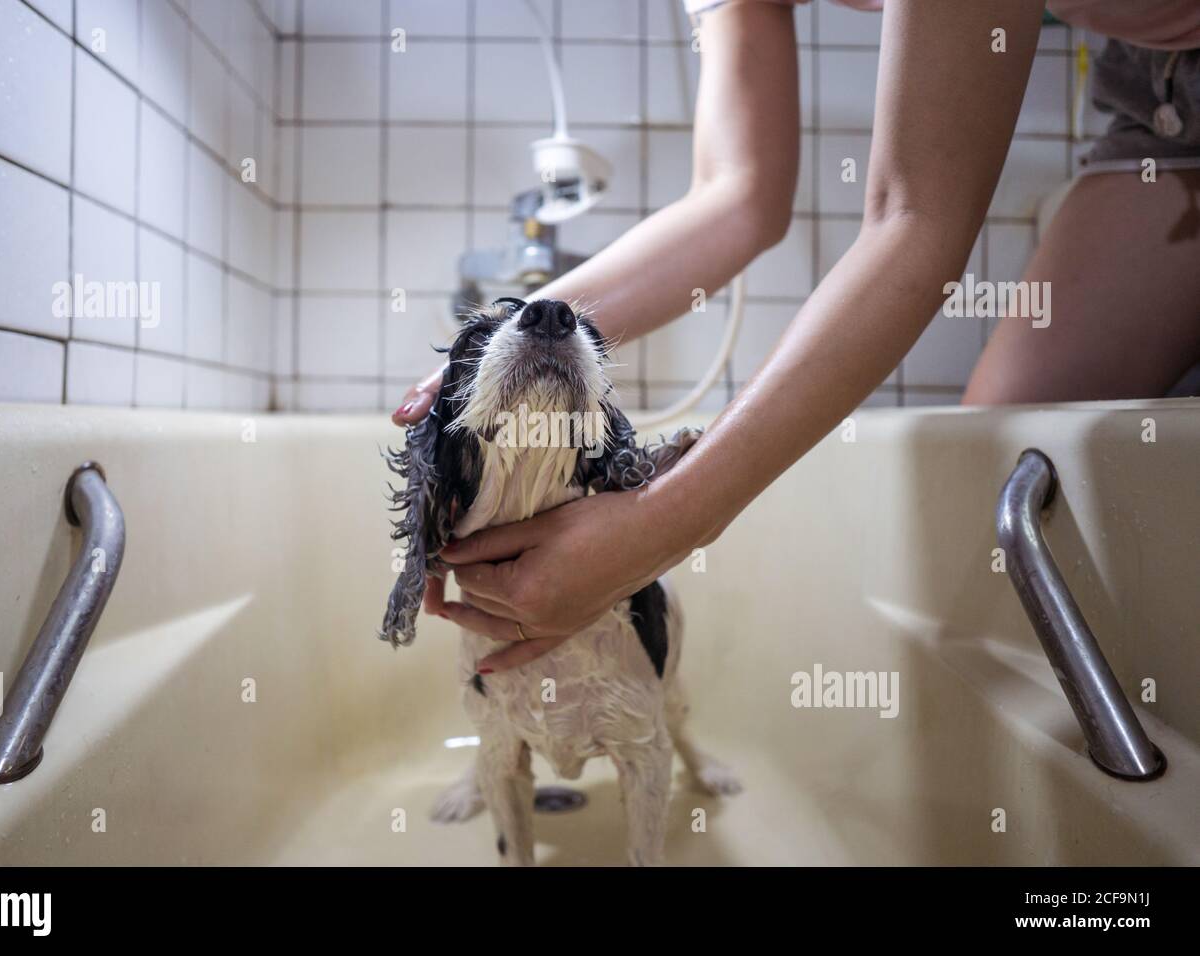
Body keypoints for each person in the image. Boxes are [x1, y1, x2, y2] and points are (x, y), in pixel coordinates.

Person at [391, 0, 1200, 673]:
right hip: (1155, 104)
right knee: (994, 473)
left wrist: (662, 526)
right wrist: (515, 340)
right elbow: (738, 198)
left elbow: (915, 222)